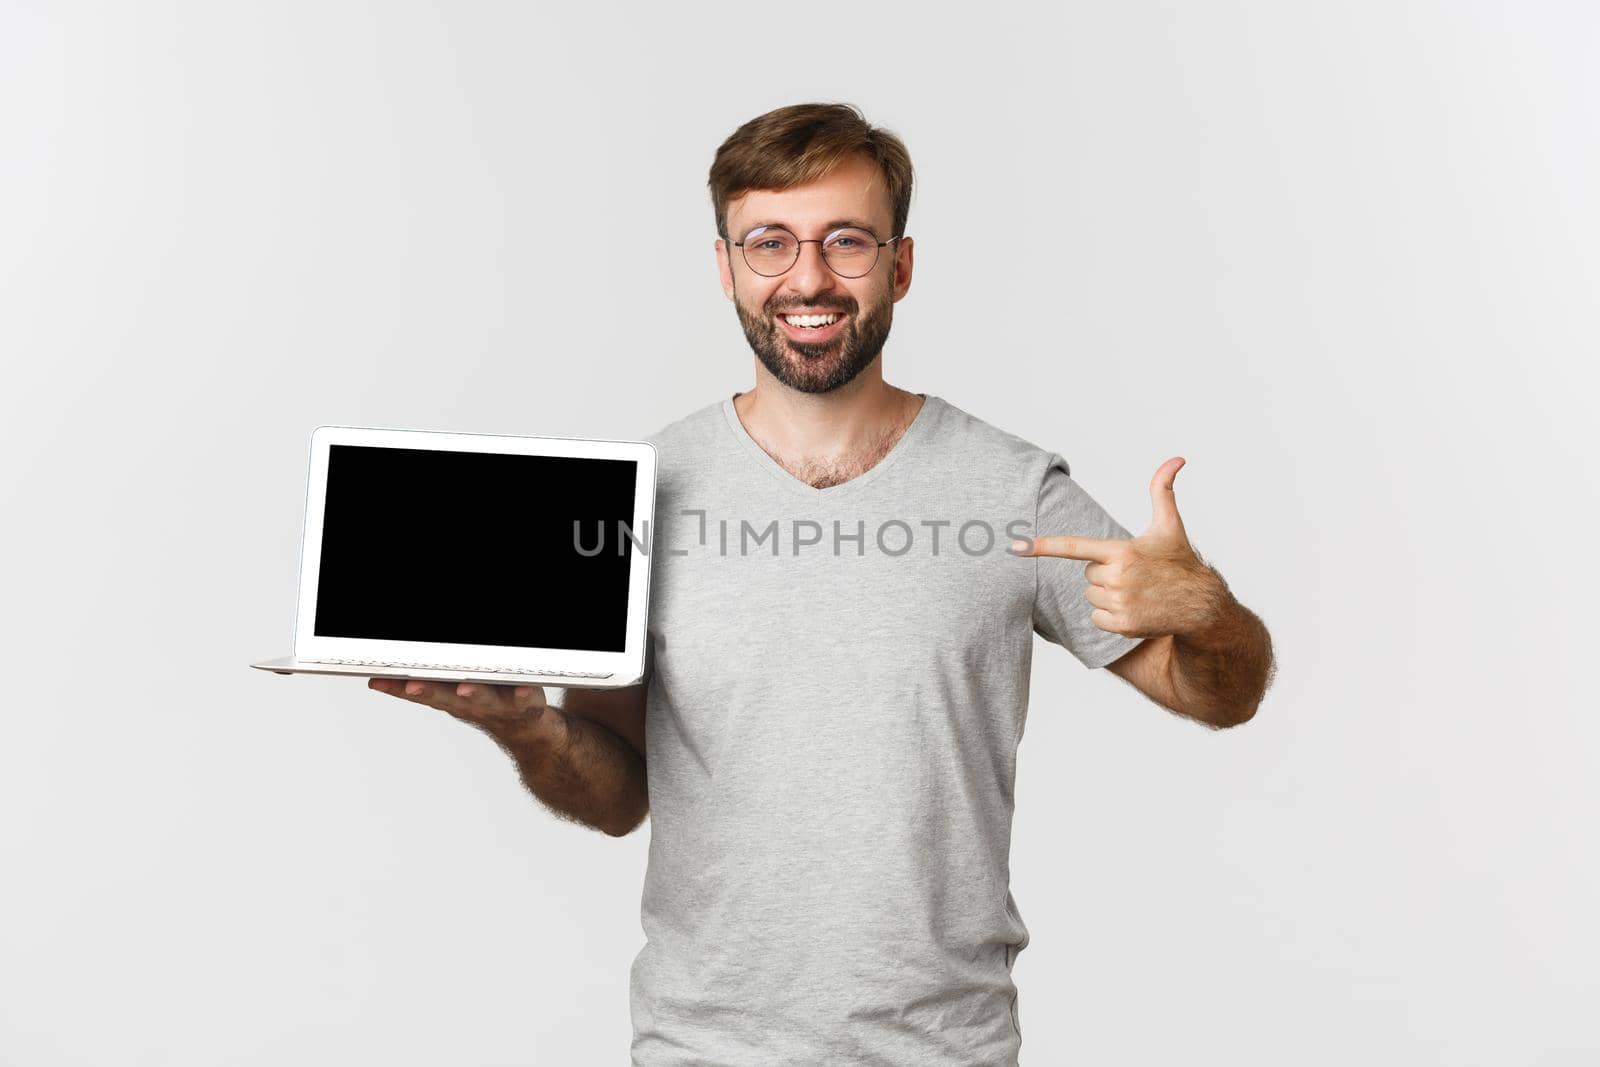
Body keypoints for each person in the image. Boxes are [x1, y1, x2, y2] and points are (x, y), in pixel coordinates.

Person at [370, 102, 1276, 1066]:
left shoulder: (1014, 490)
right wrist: (530, 729)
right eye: (770, 242)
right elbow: (617, 795)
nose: (808, 278)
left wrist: (1211, 613)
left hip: (946, 1049)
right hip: (699, 1047)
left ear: (901, 264)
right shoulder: (633, 496)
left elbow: (1220, 695)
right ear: (725, 266)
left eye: (846, 241)